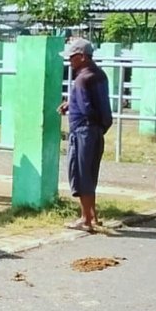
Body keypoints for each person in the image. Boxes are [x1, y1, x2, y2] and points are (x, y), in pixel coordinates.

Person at [57, 38, 113, 233]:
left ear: (82, 57)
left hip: (83, 131)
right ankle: (93, 216)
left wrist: (75, 109)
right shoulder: (99, 74)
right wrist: (71, 104)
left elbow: (87, 108)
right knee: (90, 172)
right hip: (97, 130)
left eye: (72, 58)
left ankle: (85, 219)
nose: (69, 62)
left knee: (81, 174)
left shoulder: (82, 79)